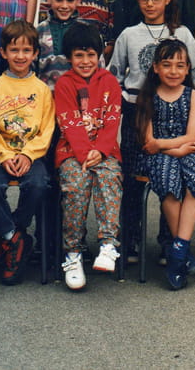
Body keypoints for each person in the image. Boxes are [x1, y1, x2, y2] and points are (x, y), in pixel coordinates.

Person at [109, 0, 195, 264]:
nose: (150, 4)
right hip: (138, 111)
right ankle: (131, 239)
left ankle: (168, 241)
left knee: (171, 176)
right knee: (133, 179)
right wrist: (125, 102)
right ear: (137, 0)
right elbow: (113, 75)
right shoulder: (128, 35)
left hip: (176, 111)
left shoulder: (182, 34)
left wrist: (190, 102)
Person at [0, 21, 55, 285]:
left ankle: (10, 236)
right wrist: (3, 155)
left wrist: (28, 155)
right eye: (14, 50)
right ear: (3, 53)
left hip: (31, 156)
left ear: (35, 53)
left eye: (26, 50)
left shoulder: (42, 90)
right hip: (0, 155)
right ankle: (16, 239)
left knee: (39, 184)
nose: (20, 56)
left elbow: (47, 128)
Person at [136, 40, 195, 290]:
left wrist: (165, 145)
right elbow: (149, 142)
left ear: (188, 69)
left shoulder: (193, 96)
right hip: (161, 156)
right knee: (167, 181)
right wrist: (173, 149)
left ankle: (178, 248)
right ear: (156, 67)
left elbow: (193, 135)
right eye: (167, 65)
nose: (173, 71)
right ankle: (182, 252)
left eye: (180, 65)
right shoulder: (148, 96)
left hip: (189, 151)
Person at [54, 24, 122, 290]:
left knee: (109, 179)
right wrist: (84, 153)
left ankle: (108, 243)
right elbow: (69, 123)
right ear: (69, 57)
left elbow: (112, 119)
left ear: (99, 55)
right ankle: (73, 252)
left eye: (91, 55)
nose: (85, 61)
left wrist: (101, 150)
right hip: (72, 152)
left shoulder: (109, 82)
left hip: (105, 151)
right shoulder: (64, 84)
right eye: (79, 55)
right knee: (75, 185)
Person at [37, 0, 83, 91]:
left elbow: (98, 69)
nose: (64, 6)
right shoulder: (39, 32)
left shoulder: (87, 31)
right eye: (58, 0)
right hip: (45, 97)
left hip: (78, 97)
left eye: (70, 0)